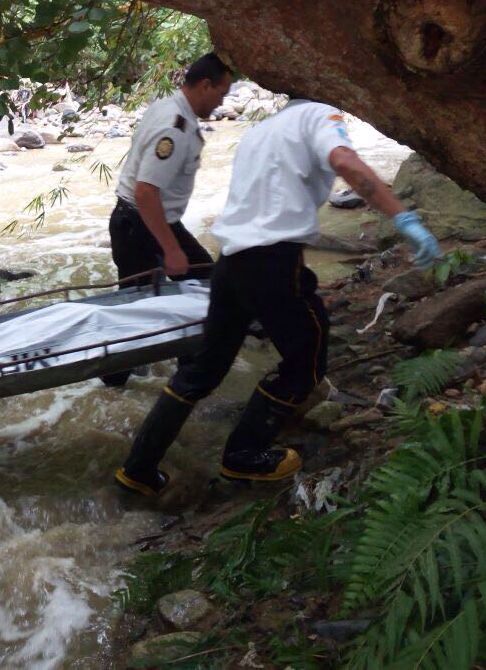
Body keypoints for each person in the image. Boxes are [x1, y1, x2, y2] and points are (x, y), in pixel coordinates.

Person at [114, 98, 441, 495]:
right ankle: (243, 455)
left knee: (202, 370)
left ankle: (138, 469)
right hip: (272, 261)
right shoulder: (322, 115)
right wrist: (403, 217)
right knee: (307, 358)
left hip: (230, 262)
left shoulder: (260, 131)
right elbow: (344, 161)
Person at [102, 53, 233, 386]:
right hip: (141, 225)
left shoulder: (169, 107)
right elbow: (146, 191)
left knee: (204, 283)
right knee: (133, 313)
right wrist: (171, 249)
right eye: (222, 93)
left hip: (144, 221)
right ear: (205, 85)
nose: (222, 102)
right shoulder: (174, 128)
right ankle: (114, 383)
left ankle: (189, 364)